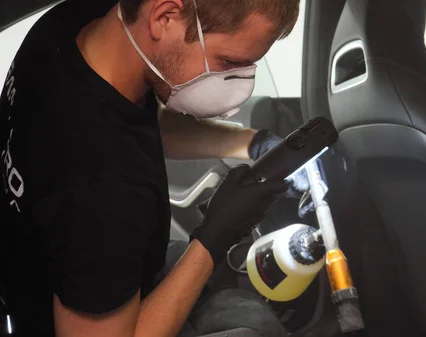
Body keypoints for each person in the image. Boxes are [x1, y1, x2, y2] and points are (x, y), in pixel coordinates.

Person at [0, 0, 303, 336]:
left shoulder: (76, 24)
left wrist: (252, 143)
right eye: (229, 62)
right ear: (164, 16)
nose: (239, 86)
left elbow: (143, 125)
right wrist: (216, 236)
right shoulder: (102, 188)